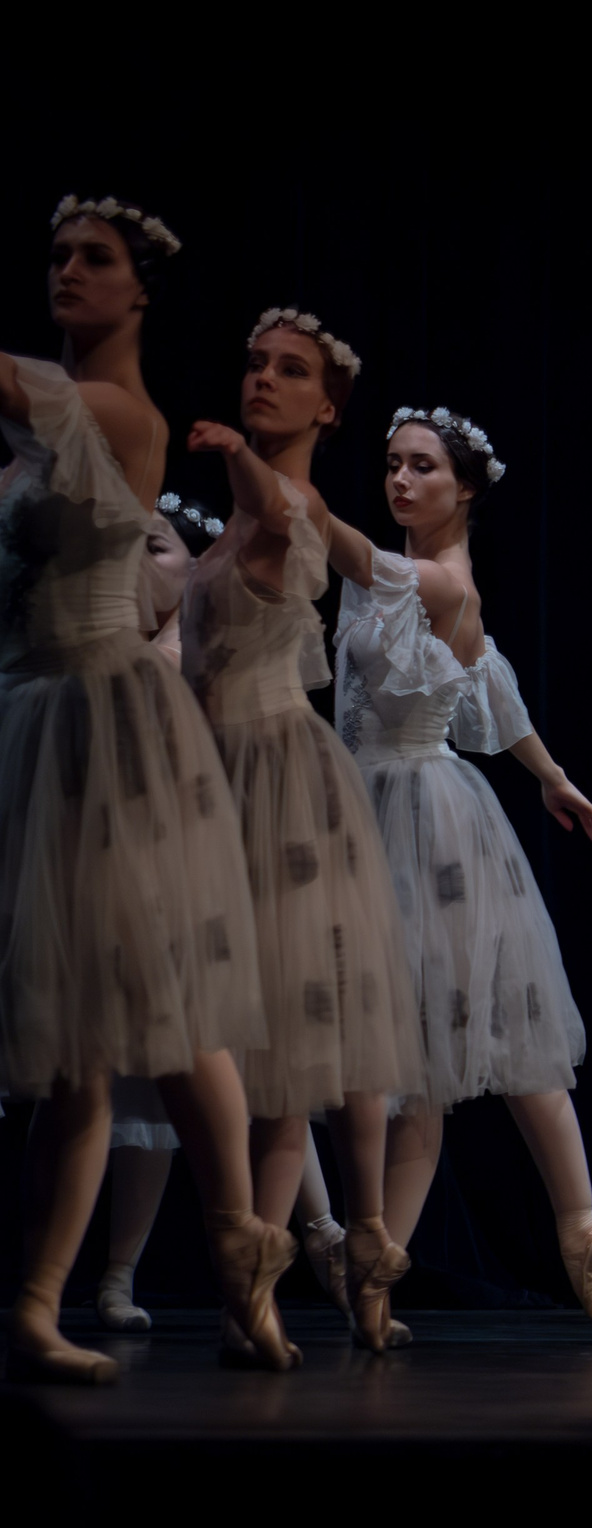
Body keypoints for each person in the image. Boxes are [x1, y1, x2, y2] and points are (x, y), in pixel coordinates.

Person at [1, 195, 294, 1380]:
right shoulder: (42, 426)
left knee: (159, 1003)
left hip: (103, 723)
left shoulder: (113, 411)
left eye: (96, 259)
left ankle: (235, 1261)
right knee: (85, 1032)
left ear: (141, 292)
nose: (68, 272)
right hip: (37, 712)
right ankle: (41, 1300)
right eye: (58, 256)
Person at [323, 405, 592, 1341]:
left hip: (431, 823)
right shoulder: (420, 581)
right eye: (392, 465)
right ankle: (377, 1282)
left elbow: (337, 545)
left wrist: (278, 472)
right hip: (369, 814)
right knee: (415, 1068)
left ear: (465, 488)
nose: (401, 481)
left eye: (422, 468)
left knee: (491, 1032)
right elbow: (493, 689)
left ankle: (579, 1228)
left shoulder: (433, 580)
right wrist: (555, 776)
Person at [183, 306, 424, 1352]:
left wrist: (237, 454)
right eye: (252, 367)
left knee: (280, 1040)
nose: (261, 382)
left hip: (280, 782)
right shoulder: (238, 516)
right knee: (244, 1046)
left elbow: (279, 510)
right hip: (210, 782)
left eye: (288, 373)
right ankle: (278, 1272)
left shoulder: (291, 500)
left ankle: (292, 1270)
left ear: (325, 405)